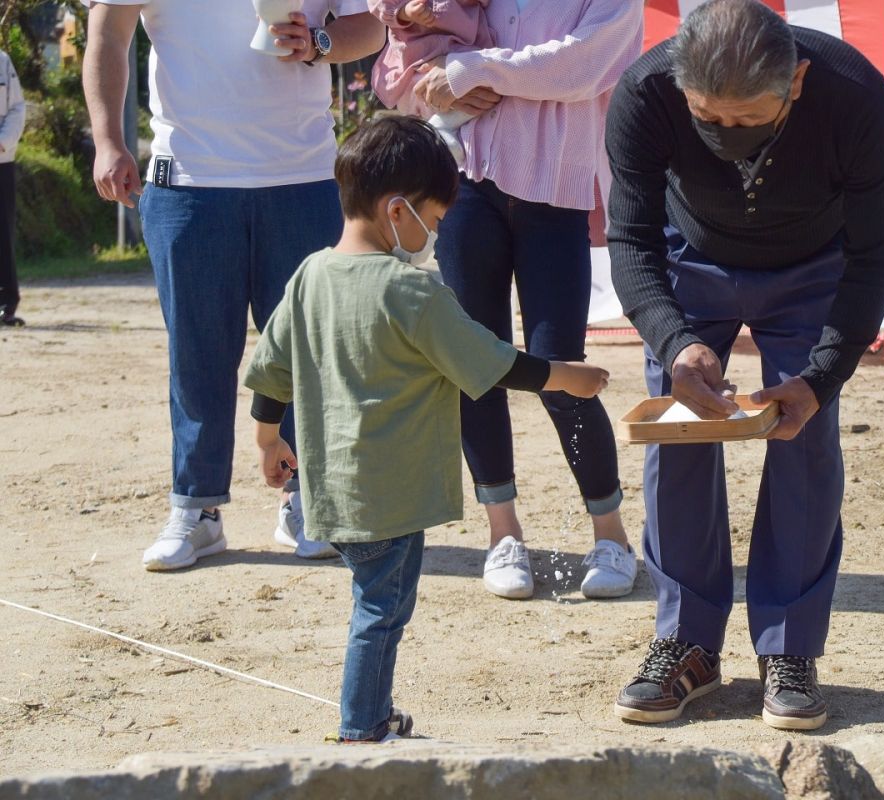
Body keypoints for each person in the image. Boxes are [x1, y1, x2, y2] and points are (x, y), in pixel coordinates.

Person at [244, 116, 611, 742]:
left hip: (331, 488)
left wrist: (267, 441)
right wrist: (566, 376)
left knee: (374, 603)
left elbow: (270, 371)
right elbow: (493, 362)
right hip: (392, 491)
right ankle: (363, 726)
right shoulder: (413, 293)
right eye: (434, 220)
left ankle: (375, 713)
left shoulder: (309, 275)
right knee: (381, 612)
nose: (434, 235)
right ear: (396, 211)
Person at [606, 0, 884, 729]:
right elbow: (631, 240)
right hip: (689, 263)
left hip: (817, 267)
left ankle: (789, 648)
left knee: (801, 437)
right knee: (679, 432)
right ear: (681, 84)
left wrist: (822, 375)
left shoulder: (857, 98)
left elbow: (873, 259)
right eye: (708, 116)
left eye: (747, 120)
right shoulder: (645, 93)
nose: (724, 136)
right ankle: (685, 642)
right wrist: (676, 343)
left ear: (797, 82)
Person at [82, 1, 384, 569]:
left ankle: (307, 501)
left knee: (309, 353)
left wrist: (320, 42)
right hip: (189, 181)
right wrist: (107, 140)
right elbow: (108, 30)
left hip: (304, 176)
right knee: (198, 353)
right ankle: (197, 509)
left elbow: (370, 25)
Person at [407, 0, 644, 600]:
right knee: (473, 367)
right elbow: (407, 69)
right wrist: (436, 85)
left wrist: (471, 68)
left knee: (560, 367)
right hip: (467, 187)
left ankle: (611, 535)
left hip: (556, 193)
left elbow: (580, 69)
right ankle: (502, 534)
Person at [369, 0, 493, 162]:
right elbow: (378, 4)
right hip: (416, 53)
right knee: (413, 92)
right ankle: (434, 133)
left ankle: (441, 129)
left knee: (482, 82)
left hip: (461, 46)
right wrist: (403, 11)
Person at [0, 47, 25, 327]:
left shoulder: (3, 60)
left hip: (1, 160)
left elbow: (18, 106)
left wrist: (3, 141)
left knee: (2, 233)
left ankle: (6, 304)